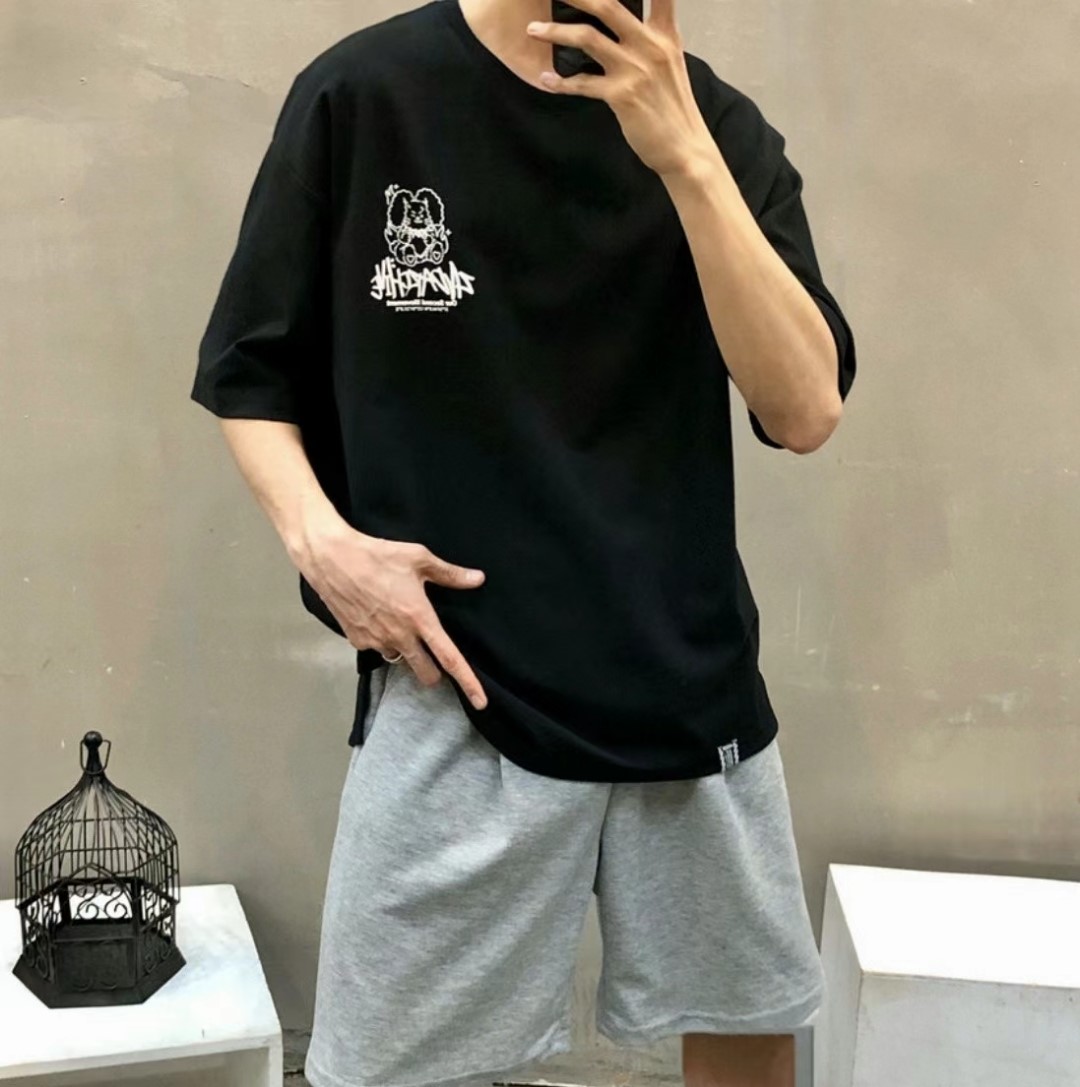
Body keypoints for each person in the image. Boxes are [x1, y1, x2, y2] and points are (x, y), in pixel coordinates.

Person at [191, 0, 857, 1085]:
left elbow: (806, 408)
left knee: (746, 1033)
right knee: (380, 1061)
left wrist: (685, 157)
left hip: (683, 689)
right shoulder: (365, 97)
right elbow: (250, 369)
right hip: (454, 684)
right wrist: (325, 546)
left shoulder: (717, 129)